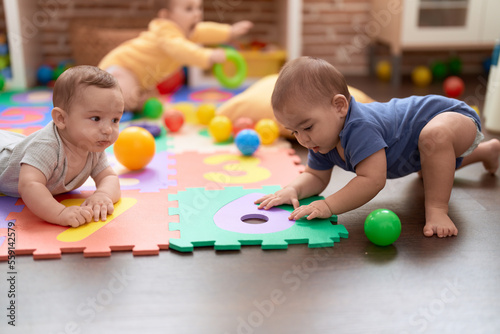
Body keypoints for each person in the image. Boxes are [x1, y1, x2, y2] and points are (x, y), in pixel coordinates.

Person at [255, 57, 500, 238]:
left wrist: (328, 205)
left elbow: (372, 180)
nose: (303, 140)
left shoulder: (359, 126)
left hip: (451, 117)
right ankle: (487, 151)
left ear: (340, 106)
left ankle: (437, 209)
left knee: (434, 139)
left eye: (307, 127)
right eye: (294, 131)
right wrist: (292, 190)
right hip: (420, 147)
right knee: (431, 168)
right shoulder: (321, 139)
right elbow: (315, 176)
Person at [0, 65, 124, 228]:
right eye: (95, 118)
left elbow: (109, 177)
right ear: (61, 119)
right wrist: (60, 213)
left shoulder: (92, 145)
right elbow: (29, 185)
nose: (108, 130)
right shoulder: (46, 147)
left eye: (115, 120)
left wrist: (103, 194)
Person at [98, 0, 253, 111]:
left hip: (137, 77)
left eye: (198, 7)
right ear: (166, 15)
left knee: (136, 99)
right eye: (189, 9)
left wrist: (229, 31)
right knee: (122, 99)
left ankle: (130, 103)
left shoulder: (185, 31)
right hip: (121, 68)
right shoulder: (165, 30)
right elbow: (181, 50)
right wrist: (209, 56)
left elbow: (205, 30)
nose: (197, 14)